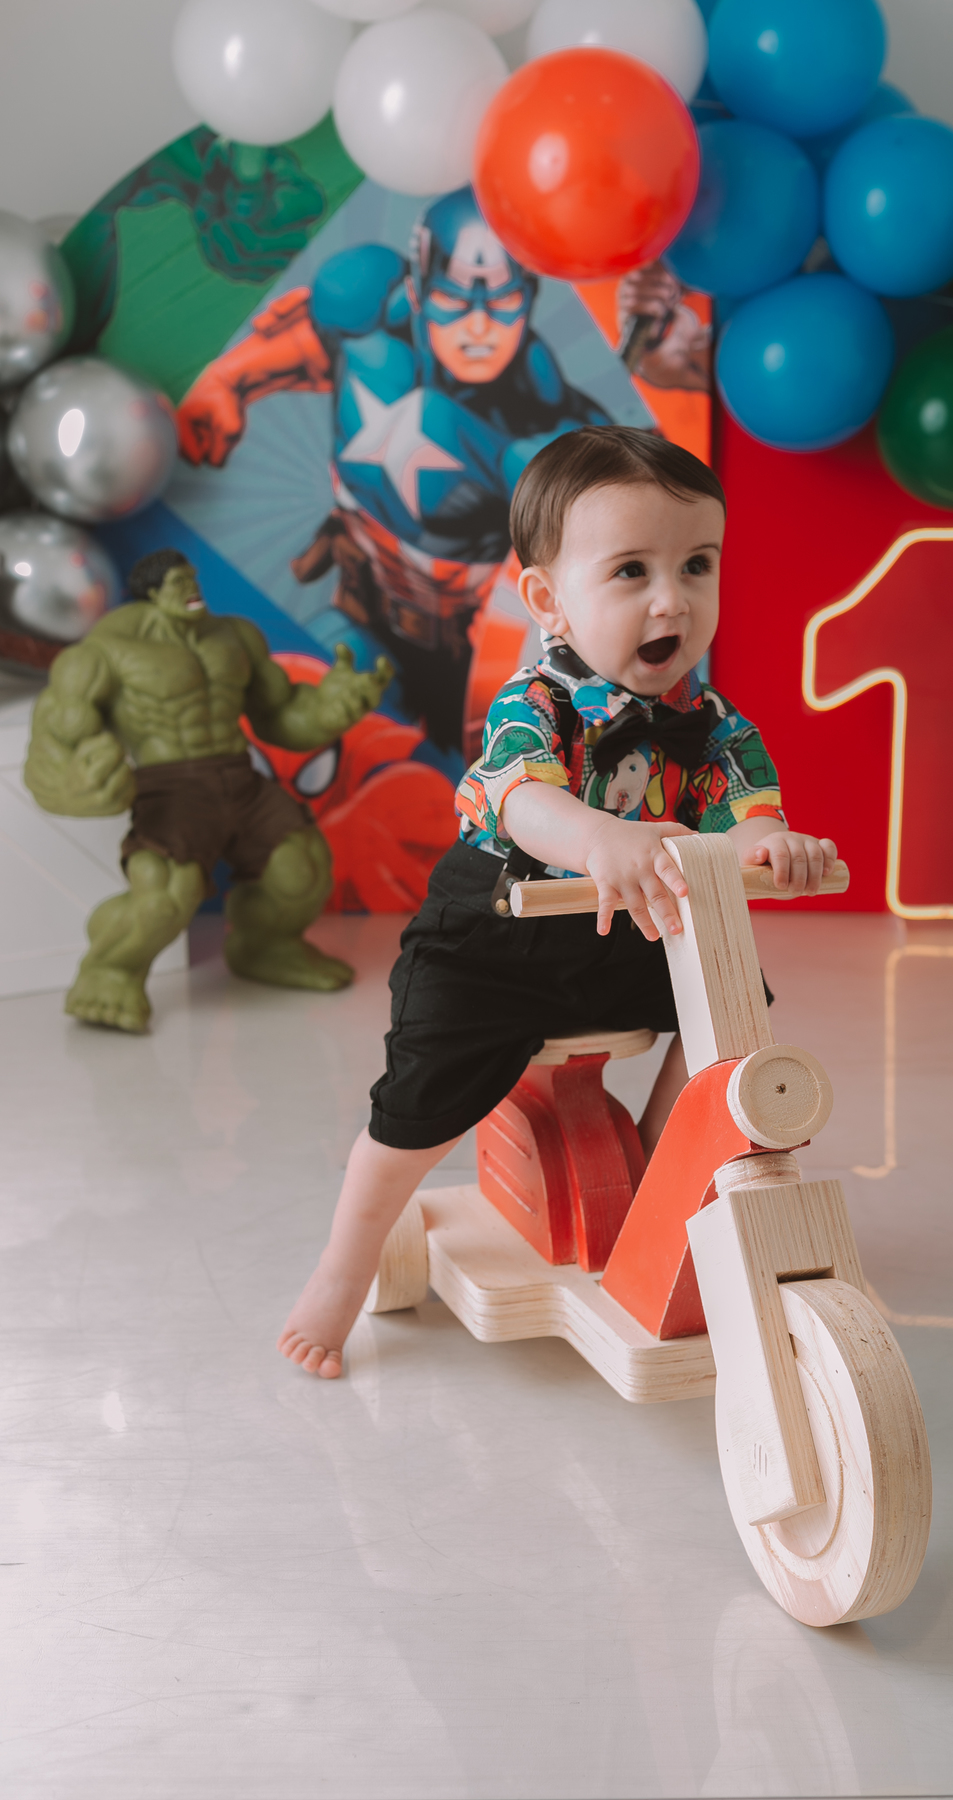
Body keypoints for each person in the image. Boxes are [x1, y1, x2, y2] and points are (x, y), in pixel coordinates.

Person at [278, 426, 837, 1378]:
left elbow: (745, 810)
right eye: (631, 571)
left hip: (628, 935)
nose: (673, 599)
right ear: (549, 600)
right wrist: (598, 837)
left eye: (697, 565)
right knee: (416, 1104)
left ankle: (663, 1176)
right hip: (499, 935)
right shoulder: (534, 702)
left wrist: (771, 845)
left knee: (734, 1011)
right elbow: (523, 800)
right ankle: (343, 1264)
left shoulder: (712, 725)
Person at [177, 187, 614, 761]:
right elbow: (308, 339)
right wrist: (229, 380)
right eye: (454, 300)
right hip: (363, 622)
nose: (478, 326)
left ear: (529, 296)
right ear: (417, 290)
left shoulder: (551, 431)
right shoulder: (365, 323)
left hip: (478, 675)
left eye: (503, 301)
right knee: (312, 727)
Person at [23, 550, 389, 1033]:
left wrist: (330, 710)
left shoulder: (234, 637)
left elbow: (279, 716)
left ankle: (266, 947)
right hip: (170, 787)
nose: (191, 590)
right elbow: (55, 743)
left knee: (302, 867)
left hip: (239, 778)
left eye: (191, 579)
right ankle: (109, 971)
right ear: (151, 593)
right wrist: (77, 785)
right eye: (177, 583)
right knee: (166, 896)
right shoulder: (103, 653)